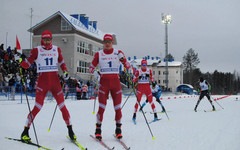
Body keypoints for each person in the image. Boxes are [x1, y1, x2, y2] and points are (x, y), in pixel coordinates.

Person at [19, 30, 76, 141]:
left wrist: (65, 71)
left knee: (62, 106)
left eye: (49, 39)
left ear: (51, 39)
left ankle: (70, 130)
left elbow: (62, 63)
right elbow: (27, 64)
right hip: (42, 83)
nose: (47, 42)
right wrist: (21, 61)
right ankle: (25, 131)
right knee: (38, 107)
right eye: (45, 39)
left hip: (55, 83)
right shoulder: (37, 50)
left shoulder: (56, 49)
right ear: (42, 40)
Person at [89, 34, 130, 140]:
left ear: (112, 43)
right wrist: (95, 73)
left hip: (116, 84)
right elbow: (91, 68)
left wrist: (123, 60)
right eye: (105, 42)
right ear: (103, 43)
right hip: (104, 84)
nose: (107, 44)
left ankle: (118, 130)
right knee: (102, 108)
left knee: (117, 108)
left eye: (109, 42)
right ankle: (98, 130)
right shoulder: (99, 54)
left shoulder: (118, 53)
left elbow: (128, 66)